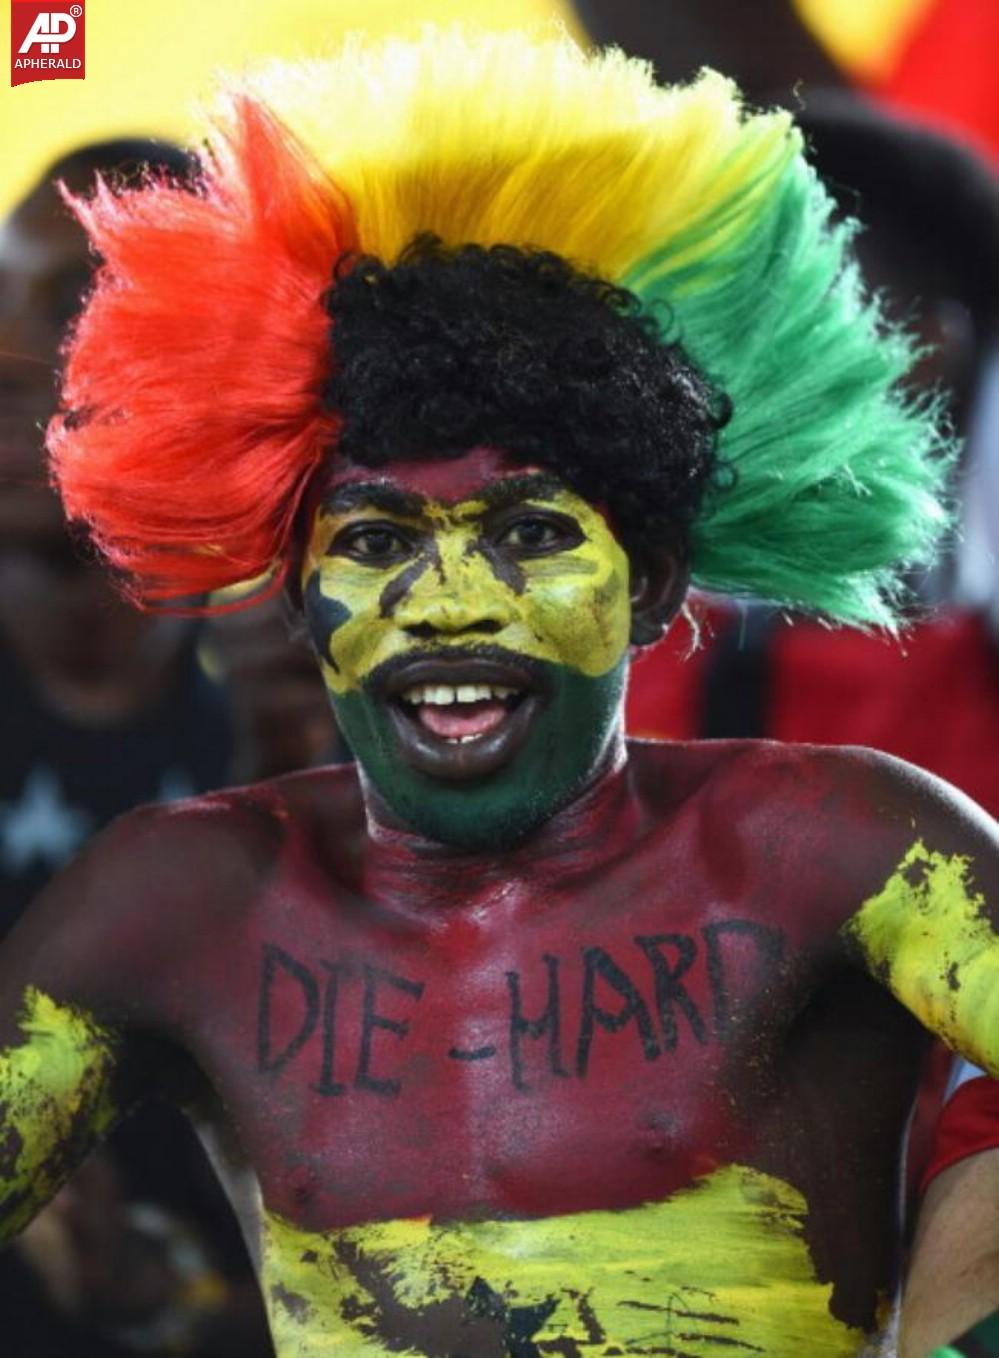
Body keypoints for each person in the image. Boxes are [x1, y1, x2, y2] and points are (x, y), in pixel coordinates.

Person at [1, 31, 996, 1358]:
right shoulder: (179, 900)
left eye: (529, 534)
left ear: (650, 584)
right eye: (375, 540)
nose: (449, 602)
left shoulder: (837, 846)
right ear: (295, 597)